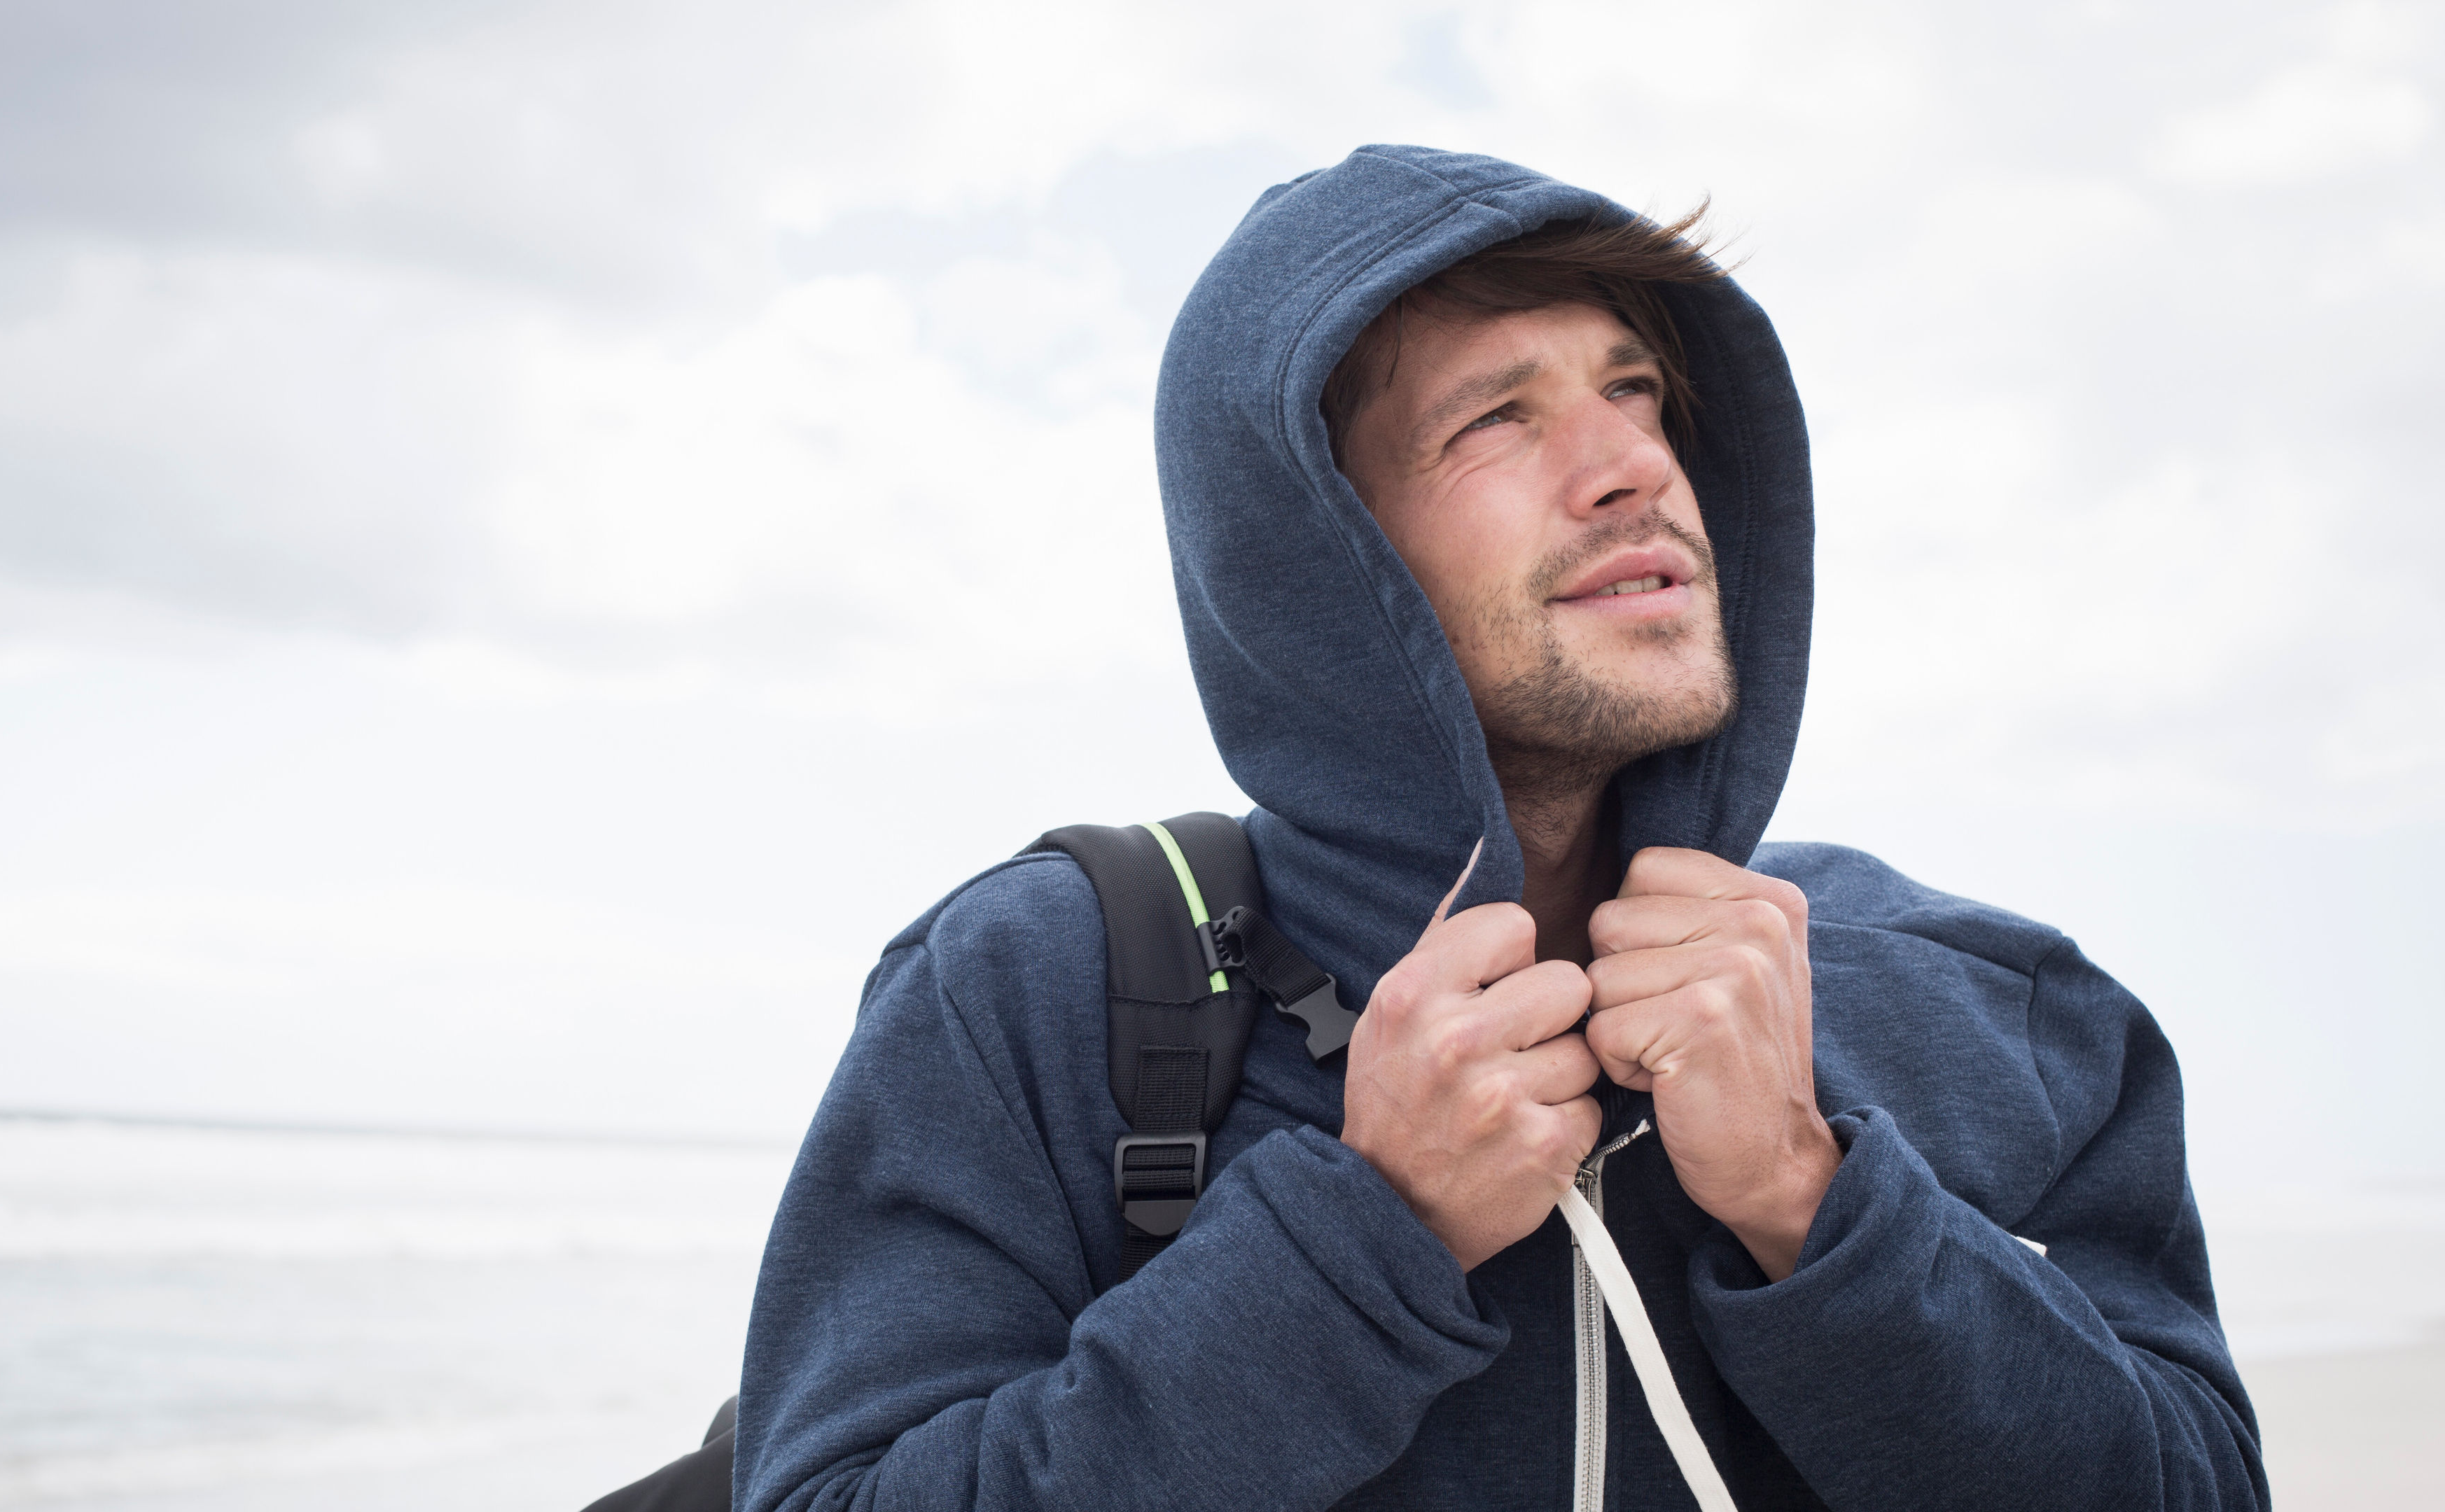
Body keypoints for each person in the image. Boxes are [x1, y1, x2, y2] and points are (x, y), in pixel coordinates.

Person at [730, 145, 2266, 1511]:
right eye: (1493, 424)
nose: (1630, 469)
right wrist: (1361, 1241)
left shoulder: (1990, 1002)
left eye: (1633, 390)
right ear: (1315, 561)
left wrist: (1818, 1202)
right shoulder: (1037, 993)